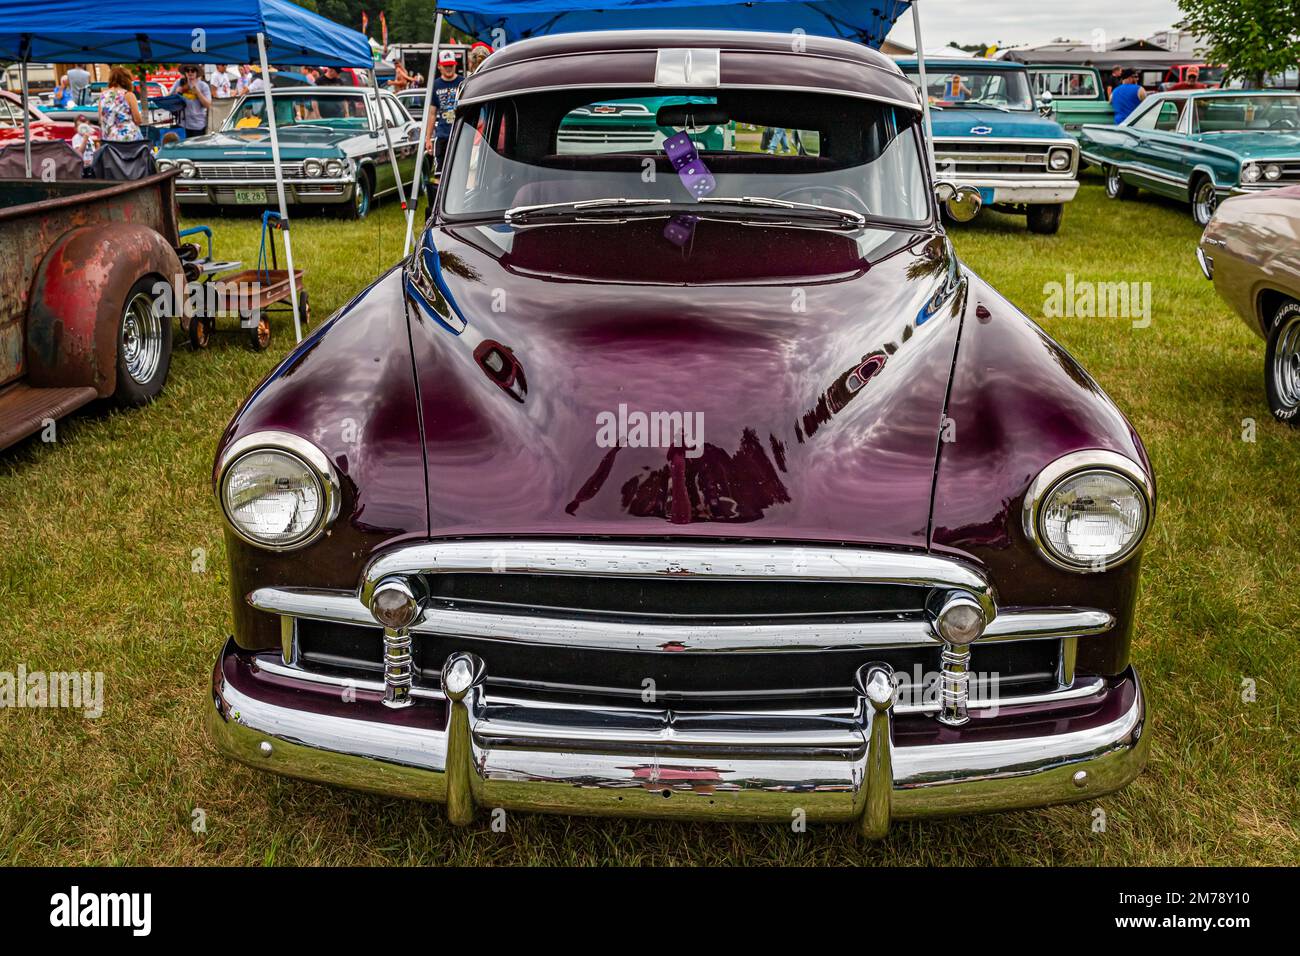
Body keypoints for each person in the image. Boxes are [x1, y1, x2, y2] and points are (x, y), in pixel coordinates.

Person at [424, 50, 462, 203]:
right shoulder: (436, 85)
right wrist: (428, 138)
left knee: (460, 171)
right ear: (439, 66)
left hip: (460, 134)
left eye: (451, 66)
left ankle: (458, 201)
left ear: (455, 65)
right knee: (439, 173)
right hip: (443, 135)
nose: (448, 69)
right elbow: (432, 113)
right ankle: (438, 204)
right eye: (445, 66)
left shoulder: (462, 82)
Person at [98, 66, 144, 142]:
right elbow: (138, 120)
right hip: (128, 139)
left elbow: (101, 119)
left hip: (109, 140)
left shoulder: (102, 96)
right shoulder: (128, 95)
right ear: (126, 79)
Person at [170, 65, 211, 139]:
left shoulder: (203, 85)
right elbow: (168, 99)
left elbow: (208, 105)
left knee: (196, 149)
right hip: (182, 125)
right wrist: (176, 93)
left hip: (198, 126)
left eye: (193, 70)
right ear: (185, 72)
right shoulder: (179, 82)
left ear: (197, 72)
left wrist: (198, 92)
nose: (190, 72)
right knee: (183, 150)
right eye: (187, 70)